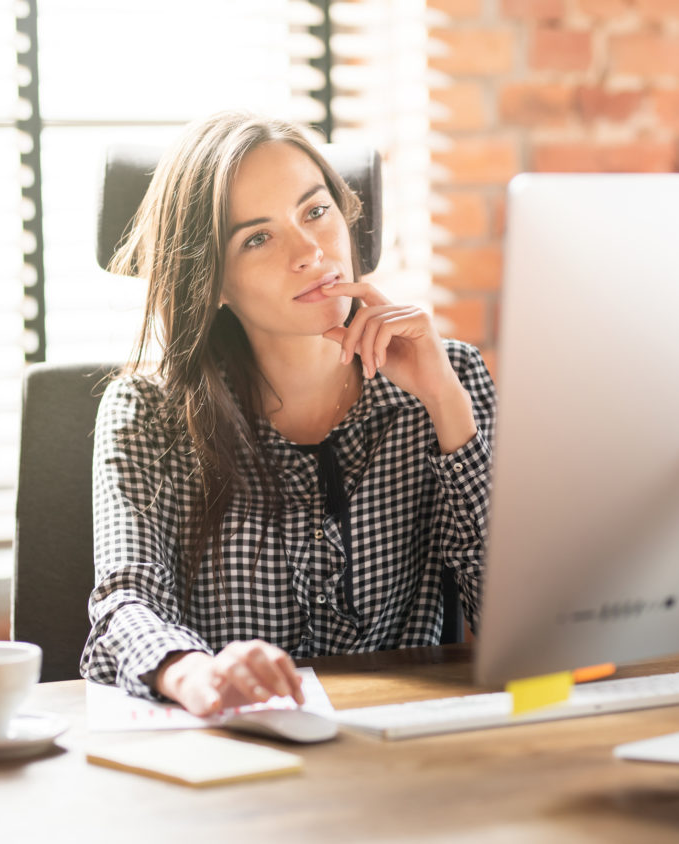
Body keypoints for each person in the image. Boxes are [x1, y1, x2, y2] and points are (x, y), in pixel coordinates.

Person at [80, 111, 496, 716]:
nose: (310, 252)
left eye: (316, 211)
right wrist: (198, 675)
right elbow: (125, 603)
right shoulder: (147, 411)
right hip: (236, 748)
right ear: (213, 280)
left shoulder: (447, 378)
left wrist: (445, 403)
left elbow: (517, 615)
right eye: (257, 237)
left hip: (403, 753)